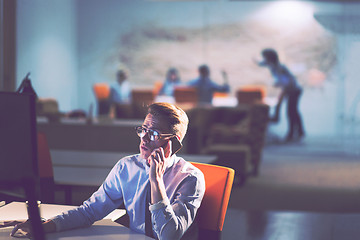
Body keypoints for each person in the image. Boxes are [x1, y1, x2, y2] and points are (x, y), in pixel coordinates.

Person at [11, 102, 206, 240]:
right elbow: (90, 211)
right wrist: (44, 227)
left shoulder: (190, 178)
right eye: (143, 129)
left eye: (153, 133)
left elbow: (168, 235)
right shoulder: (127, 167)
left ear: (174, 142)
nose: (144, 139)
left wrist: (156, 180)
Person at [257, 48, 305, 142]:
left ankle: (294, 133)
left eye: (265, 57)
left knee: (291, 112)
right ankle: (298, 132)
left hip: (294, 90)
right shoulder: (272, 66)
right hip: (289, 90)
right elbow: (262, 64)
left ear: (269, 58)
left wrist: (278, 84)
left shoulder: (279, 67)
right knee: (292, 111)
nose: (264, 59)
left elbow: (288, 81)